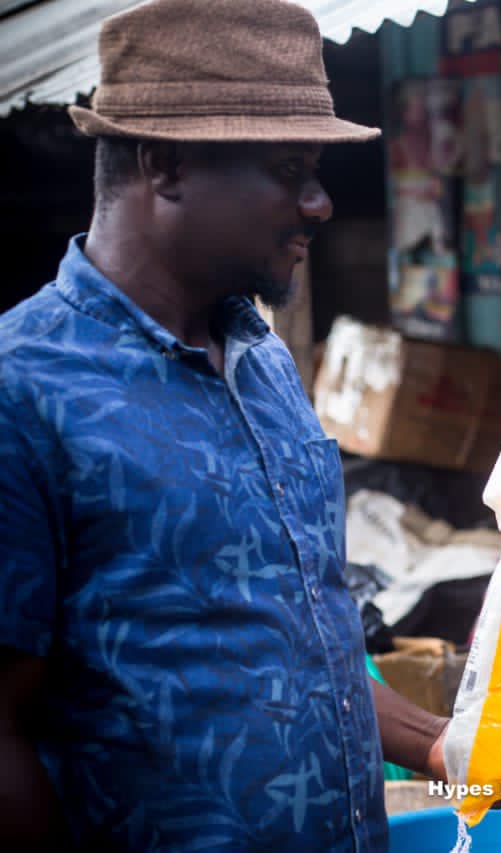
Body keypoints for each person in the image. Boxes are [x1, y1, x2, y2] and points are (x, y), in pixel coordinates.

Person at [0, 1, 448, 849]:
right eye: (290, 169)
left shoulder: (265, 362)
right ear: (164, 165)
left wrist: (450, 745)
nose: (319, 203)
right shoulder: (23, 390)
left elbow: (306, 641)